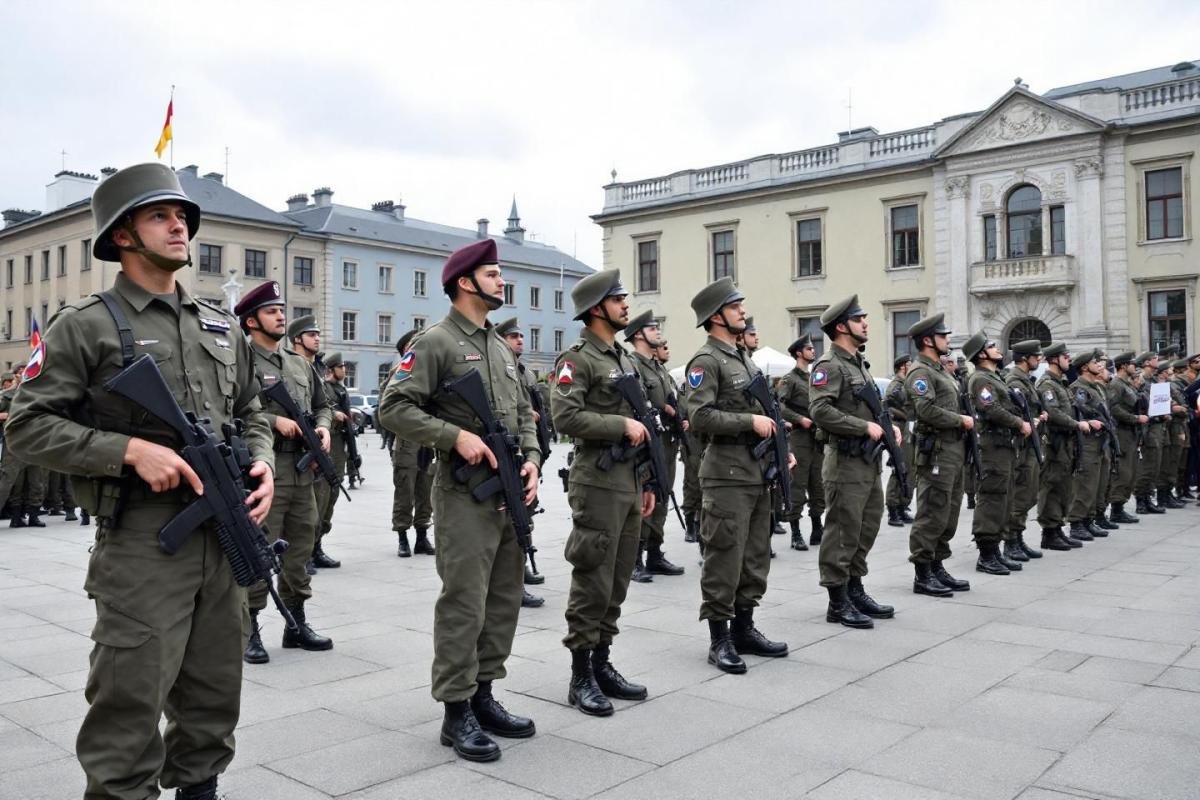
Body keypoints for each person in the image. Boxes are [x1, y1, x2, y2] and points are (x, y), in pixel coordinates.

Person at [5, 163, 275, 800]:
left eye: (182, 216)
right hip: (144, 542)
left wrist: (260, 459)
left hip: (221, 533)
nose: (179, 224)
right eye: (160, 215)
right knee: (130, 700)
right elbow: (27, 427)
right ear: (122, 236)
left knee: (213, 692)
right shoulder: (87, 324)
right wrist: (126, 451)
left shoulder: (220, 325)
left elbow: (250, 411)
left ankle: (200, 787)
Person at [378, 238, 540, 762]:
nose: (501, 282)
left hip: (508, 490)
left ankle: (485, 693)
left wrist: (533, 457)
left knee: (503, 599)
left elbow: (522, 416)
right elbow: (393, 408)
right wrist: (455, 437)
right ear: (465, 282)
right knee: (464, 603)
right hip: (463, 491)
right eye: (493, 274)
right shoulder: (436, 343)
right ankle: (456, 710)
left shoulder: (498, 345)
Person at [551, 269, 655, 712]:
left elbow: (644, 425)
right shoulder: (578, 360)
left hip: (629, 483)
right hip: (597, 482)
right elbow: (565, 418)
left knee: (617, 580)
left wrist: (648, 482)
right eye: (618, 299)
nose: (626, 305)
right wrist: (619, 425)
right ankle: (580, 676)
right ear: (597, 308)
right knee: (593, 576)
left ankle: (602, 662)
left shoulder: (623, 358)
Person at [685, 277, 791, 670]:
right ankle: (720, 638)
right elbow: (699, 416)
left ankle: (745, 627)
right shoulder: (706, 361)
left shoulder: (743, 358)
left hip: (756, 471)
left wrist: (780, 451)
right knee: (724, 556)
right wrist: (750, 421)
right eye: (735, 307)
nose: (742, 312)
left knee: (754, 555)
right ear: (716, 317)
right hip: (726, 473)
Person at [234, 287, 335, 667]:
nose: (280, 316)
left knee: (300, 548)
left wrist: (322, 427)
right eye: (271, 311)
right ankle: (251, 627)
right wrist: (278, 422)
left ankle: (296, 622)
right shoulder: (240, 359)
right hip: (266, 469)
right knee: (261, 549)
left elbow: (324, 404)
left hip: (303, 471)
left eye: (281, 310)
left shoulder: (299, 363)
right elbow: (234, 408)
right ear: (251, 321)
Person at [807, 295, 899, 628]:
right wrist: (864, 427)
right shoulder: (828, 365)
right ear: (843, 326)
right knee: (843, 530)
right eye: (859, 319)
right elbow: (820, 410)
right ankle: (837, 599)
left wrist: (889, 430)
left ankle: (855, 588)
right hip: (844, 462)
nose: (866, 323)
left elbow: (869, 408)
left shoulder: (858, 363)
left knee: (866, 526)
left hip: (866, 462)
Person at [903, 314, 973, 595]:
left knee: (949, 511)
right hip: (937, 452)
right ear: (928, 341)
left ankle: (937, 565)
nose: (948, 341)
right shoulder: (920, 372)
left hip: (953, 450)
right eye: (943, 336)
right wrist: (960, 420)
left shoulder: (942, 371)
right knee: (932, 511)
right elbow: (925, 410)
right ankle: (922, 573)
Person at [623, 309, 686, 581]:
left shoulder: (659, 368)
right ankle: (634, 558)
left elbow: (673, 399)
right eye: (652, 328)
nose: (658, 331)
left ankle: (655, 553)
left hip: (667, 444)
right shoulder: (632, 364)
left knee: (662, 496)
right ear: (638, 334)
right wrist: (662, 411)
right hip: (648, 443)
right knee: (645, 499)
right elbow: (635, 404)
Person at [963, 332, 1030, 575]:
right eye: (991, 346)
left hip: (1004, 446)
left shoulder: (994, 377)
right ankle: (986, 554)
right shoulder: (981, 379)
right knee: (992, 498)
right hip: (991, 448)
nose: (996, 349)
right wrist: (1018, 423)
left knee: (1004, 498)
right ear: (981, 354)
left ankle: (996, 551)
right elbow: (990, 408)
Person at [494, 316, 547, 609]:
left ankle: (518, 572)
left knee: (523, 516)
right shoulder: (502, 366)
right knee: (514, 519)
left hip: (524, 453)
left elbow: (527, 409)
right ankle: (513, 579)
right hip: (502, 453)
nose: (520, 341)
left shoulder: (522, 371)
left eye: (521, 337)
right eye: (514, 337)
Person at [386, 331, 436, 558]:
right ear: (405, 351)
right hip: (406, 443)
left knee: (426, 492)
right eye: (412, 345)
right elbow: (385, 411)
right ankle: (403, 537)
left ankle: (422, 537)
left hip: (428, 442)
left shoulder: (429, 374)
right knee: (404, 492)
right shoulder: (398, 374)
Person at [1036, 343, 1087, 550]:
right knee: (1052, 485)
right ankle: (1049, 532)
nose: (1069, 360)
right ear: (1055, 359)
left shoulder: (1061, 383)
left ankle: (1057, 528)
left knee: (1063, 486)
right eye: (1066, 356)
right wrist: (1076, 424)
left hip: (1066, 442)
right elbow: (1054, 412)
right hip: (1054, 443)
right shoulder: (1047, 384)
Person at [776, 334, 824, 551]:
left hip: (818, 438)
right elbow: (781, 408)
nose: (813, 351)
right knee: (798, 485)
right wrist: (800, 419)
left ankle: (817, 527)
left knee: (818, 484)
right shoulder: (789, 379)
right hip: (800, 438)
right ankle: (796, 532)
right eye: (809, 348)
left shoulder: (815, 378)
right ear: (799, 353)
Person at [1003, 339, 1046, 562]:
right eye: (1035, 356)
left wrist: (1039, 417)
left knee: (1029, 492)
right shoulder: (1014, 380)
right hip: (1021, 445)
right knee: (1021, 493)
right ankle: (1010, 540)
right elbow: (1011, 410)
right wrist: (1028, 422)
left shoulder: (1026, 380)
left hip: (1030, 443)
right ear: (1024, 358)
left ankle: (1018, 536)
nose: (1039, 359)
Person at [1067, 349, 1113, 541]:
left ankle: (1089, 519)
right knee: (1085, 484)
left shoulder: (1096, 386)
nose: (1099, 365)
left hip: (1101, 440)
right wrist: (1094, 417)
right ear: (1085, 367)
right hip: (1087, 441)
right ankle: (1077, 522)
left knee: (1098, 484)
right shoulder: (1079, 387)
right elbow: (1078, 408)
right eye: (1095, 363)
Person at [314, 349, 350, 568]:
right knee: (321, 498)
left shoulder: (341, 389)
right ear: (331, 369)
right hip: (329, 445)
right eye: (341, 367)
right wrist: (335, 414)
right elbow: (322, 408)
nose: (344, 370)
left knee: (332, 497)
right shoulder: (324, 387)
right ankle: (308, 550)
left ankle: (317, 546)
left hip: (340, 450)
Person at [1105, 352, 1144, 526]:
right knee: (1123, 472)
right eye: (1132, 364)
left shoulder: (1126, 384)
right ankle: (1116, 510)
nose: (1135, 368)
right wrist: (1135, 419)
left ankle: (1120, 506)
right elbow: (1113, 409)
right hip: (1121, 432)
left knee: (1130, 472)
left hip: (1131, 432)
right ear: (1123, 366)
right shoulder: (1116, 384)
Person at [1134, 352, 1167, 514]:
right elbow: (1140, 403)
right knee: (1147, 466)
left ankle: (1148, 497)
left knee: (1155, 466)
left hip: (1158, 426)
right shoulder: (1140, 380)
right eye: (1155, 359)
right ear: (1147, 362)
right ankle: (1140, 499)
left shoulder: (1154, 380)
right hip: (1147, 428)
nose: (1158, 361)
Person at [885, 353, 915, 527]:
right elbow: (890, 405)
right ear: (902, 366)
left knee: (910, 469)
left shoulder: (905, 384)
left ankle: (903, 505)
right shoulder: (896, 386)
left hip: (908, 430)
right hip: (900, 430)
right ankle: (893, 509)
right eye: (909, 364)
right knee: (899, 469)